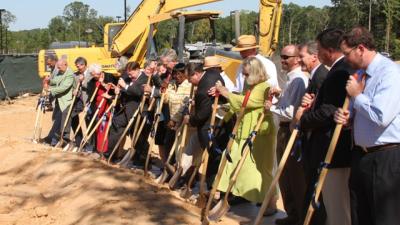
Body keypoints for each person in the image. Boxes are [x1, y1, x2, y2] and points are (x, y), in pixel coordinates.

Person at [334, 26, 400, 225]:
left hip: (385, 157)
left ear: (360, 48)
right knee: (360, 214)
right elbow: (363, 114)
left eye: (347, 53)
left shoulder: (389, 73)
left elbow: (381, 116)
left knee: (384, 217)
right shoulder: (361, 75)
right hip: (361, 156)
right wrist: (349, 119)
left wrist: (357, 96)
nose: (345, 59)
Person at [298, 28, 354, 225]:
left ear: (329, 51)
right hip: (334, 148)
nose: (318, 53)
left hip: (334, 150)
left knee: (336, 207)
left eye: (320, 49)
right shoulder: (339, 70)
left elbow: (328, 111)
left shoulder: (338, 73)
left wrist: (303, 119)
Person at [212, 56, 276, 204]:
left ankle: (269, 202)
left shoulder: (264, 87)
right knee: (230, 159)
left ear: (255, 72)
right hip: (243, 131)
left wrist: (227, 93)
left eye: (247, 74)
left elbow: (248, 102)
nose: (244, 76)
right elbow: (239, 103)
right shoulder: (250, 86)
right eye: (244, 74)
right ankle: (223, 193)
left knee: (257, 170)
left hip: (258, 132)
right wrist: (225, 110)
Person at [232, 34, 279, 214]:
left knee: (265, 164)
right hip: (246, 116)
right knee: (246, 161)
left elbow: (268, 92)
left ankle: (270, 202)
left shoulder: (266, 65)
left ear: (253, 48)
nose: (241, 53)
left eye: (243, 50)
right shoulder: (241, 65)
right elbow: (239, 89)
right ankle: (247, 194)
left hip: (262, 117)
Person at [264, 44, 308, 225]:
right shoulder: (291, 80)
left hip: (289, 130)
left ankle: (298, 216)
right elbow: (290, 102)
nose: (282, 60)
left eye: (286, 57)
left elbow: (291, 112)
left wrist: (271, 107)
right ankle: (292, 214)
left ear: (297, 59)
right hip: (284, 129)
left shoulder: (297, 80)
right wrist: (281, 94)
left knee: (293, 177)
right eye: (281, 56)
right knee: (285, 177)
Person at [42, 58, 74, 146]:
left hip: (66, 102)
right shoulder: (61, 71)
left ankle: (64, 141)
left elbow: (63, 88)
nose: (58, 69)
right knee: (57, 120)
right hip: (59, 101)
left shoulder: (70, 74)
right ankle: (52, 138)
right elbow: (56, 80)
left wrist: (50, 89)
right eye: (58, 67)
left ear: (65, 65)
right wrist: (49, 81)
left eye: (59, 67)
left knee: (64, 122)